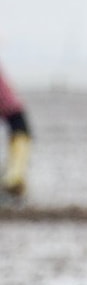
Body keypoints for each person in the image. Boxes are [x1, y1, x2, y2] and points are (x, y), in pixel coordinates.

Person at [0, 62, 29, 199]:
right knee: (16, 165)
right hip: (15, 121)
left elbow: (6, 103)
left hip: (17, 122)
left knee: (15, 172)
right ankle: (15, 189)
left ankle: (14, 188)